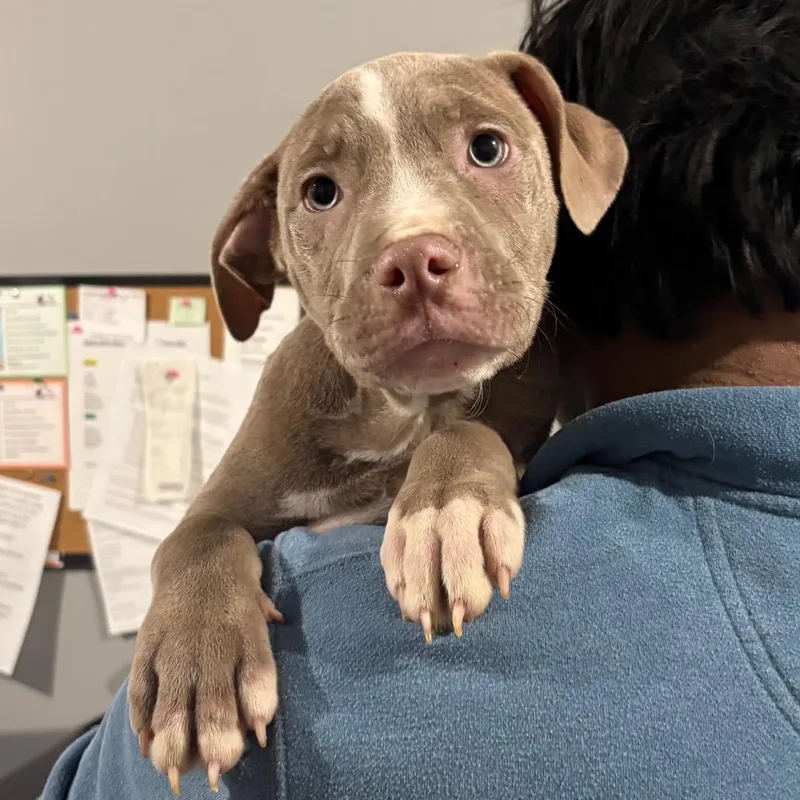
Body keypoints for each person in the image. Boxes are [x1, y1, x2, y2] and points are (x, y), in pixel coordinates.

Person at [40, 0, 800, 797]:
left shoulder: (531, 371)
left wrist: (468, 455)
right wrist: (198, 578)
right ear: (263, 250)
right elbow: (208, 526)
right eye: (323, 193)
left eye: (485, 148)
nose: (415, 249)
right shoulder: (300, 401)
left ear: (564, 158)